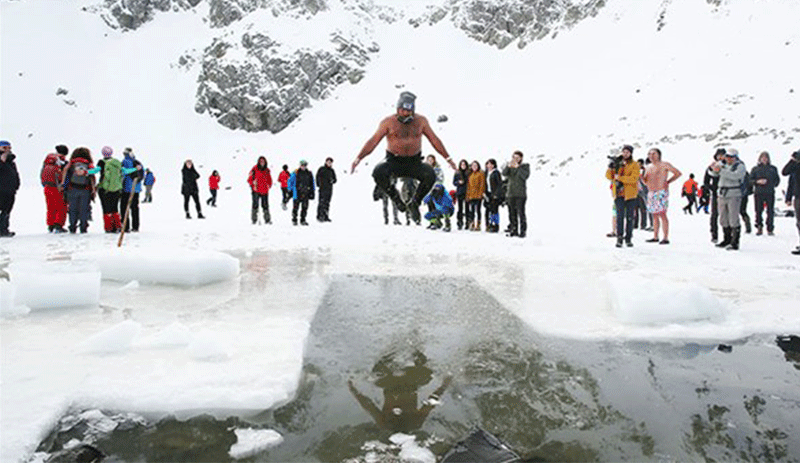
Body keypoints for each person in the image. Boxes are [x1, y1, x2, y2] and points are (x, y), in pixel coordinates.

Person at [351, 91, 456, 224]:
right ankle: (396, 199)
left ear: (413, 110)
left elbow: (434, 140)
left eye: (407, 111)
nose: (404, 113)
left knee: (430, 174)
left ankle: (414, 203)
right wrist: (359, 158)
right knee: (378, 172)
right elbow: (373, 141)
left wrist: (448, 158)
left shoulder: (421, 121)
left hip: (414, 162)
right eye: (401, 110)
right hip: (394, 161)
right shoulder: (388, 122)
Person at [347, 350, 452, 433]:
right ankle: (407, 350)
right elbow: (369, 406)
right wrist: (354, 391)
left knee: (423, 370)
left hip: (405, 384)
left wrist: (444, 386)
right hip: (398, 384)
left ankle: (409, 349)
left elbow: (430, 403)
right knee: (382, 369)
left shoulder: (412, 424)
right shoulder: (388, 424)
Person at [709, 148, 747, 250]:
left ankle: (735, 241)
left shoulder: (740, 166)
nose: (728, 159)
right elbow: (714, 175)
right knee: (723, 218)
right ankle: (726, 238)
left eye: (731, 157)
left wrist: (721, 170)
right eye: (727, 156)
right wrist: (713, 169)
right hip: (722, 194)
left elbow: (735, 176)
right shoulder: (723, 165)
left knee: (733, 217)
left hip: (734, 193)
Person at [642, 147, 681, 244]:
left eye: (654, 153)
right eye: (649, 154)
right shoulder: (648, 167)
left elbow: (677, 173)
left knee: (662, 214)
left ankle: (665, 237)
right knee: (654, 214)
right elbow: (646, 182)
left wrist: (668, 182)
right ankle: (655, 236)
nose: (651, 156)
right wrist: (641, 178)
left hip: (661, 191)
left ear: (659, 155)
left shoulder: (664, 164)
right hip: (651, 192)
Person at [60, 147, 96, 234]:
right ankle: (83, 226)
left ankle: (72, 226)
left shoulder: (72, 163)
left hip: (72, 189)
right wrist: (93, 189)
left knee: (72, 209)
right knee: (84, 209)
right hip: (85, 189)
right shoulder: (88, 163)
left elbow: (65, 170)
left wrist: (63, 183)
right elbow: (92, 176)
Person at [95, 146, 126, 233]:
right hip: (116, 189)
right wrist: (136, 169)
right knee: (115, 208)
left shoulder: (101, 162)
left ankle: (108, 227)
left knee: (106, 209)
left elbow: (95, 170)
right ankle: (117, 226)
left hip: (104, 190)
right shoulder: (117, 163)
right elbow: (125, 171)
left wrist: (86, 171)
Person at [750, 151, 780, 236]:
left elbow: (777, 180)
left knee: (770, 211)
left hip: (770, 192)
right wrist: (757, 182)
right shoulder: (755, 169)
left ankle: (770, 228)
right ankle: (759, 226)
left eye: (766, 158)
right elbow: (750, 180)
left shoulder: (773, 169)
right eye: (762, 158)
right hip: (759, 192)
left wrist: (772, 184)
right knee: (758, 210)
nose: (764, 159)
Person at [504, 150, 531, 238]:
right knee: (512, 213)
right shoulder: (510, 166)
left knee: (521, 213)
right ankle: (513, 229)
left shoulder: (525, 166)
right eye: (513, 157)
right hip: (510, 193)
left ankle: (523, 231)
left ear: (521, 158)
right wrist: (508, 166)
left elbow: (524, 176)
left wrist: (518, 167)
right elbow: (504, 173)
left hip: (520, 194)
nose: (515, 159)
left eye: (517, 158)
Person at [40, 149, 68, 233]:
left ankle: (50, 225)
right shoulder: (62, 161)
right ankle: (58, 225)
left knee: (50, 206)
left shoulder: (48, 161)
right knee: (61, 206)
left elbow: (41, 174)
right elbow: (65, 175)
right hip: (58, 187)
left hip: (47, 187)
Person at [120, 147, 144, 232]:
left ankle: (125, 227)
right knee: (135, 208)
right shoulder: (138, 163)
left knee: (124, 208)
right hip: (135, 189)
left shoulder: (125, 162)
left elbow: (124, 172)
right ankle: (135, 226)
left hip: (127, 188)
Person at [704, 148, 726, 242]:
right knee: (714, 215)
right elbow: (706, 181)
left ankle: (727, 235)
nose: (720, 157)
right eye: (718, 155)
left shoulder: (728, 166)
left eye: (722, 155)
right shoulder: (711, 167)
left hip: (727, 193)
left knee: (726, 216)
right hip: (716, 194)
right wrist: (712, 188)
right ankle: (714, 235)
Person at [0, 140, 21, 237]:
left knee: (6, 211)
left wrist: (16, 185)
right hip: (1, 190)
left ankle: (4, 229)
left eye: (9, 148)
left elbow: (15, 174)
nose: (7, 150)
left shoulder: (11, 161)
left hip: (10, 191)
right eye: (4, 148)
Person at [782, 149, 800, 255]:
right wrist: (792, 160)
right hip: (797, 196)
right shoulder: (796, 166)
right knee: (799, 222)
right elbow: (785, 172)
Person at [288, 160, 315, 226]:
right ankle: (294, 219)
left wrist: (312, 191)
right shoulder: (296, 172)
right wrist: (289, 190)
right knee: (295, 207)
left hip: (306, 193)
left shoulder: (309, 173)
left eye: (304, 165)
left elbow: (312, 183)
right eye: (302, 165)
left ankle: (303, 220)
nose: (303, 167)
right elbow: (290, 181)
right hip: (297, 193)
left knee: (305, 207)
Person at [247, 156, 272, 224]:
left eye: (263, 161)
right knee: (255, 205)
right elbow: (249, 179)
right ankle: (254, 220)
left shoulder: (267, 170)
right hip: (256, 190)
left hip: (264, 190)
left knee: (265, 206)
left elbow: (269, 179)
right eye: (261, 161)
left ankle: (267, 219)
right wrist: (252, 184)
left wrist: (269, 185)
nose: (262, 162)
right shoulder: (254, 169)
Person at [465, 160, 485, 231]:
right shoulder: (470, 174)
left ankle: (478, 224)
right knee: (472, 210)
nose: (474, 167)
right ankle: (472, 223)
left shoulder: (480, 173)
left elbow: (482, 184)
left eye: (475, 165)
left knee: (478, 210)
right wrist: (468, 195)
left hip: (478, 195)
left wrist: (481, 193)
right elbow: (469, 186)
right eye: (473, 166)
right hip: (471, 195)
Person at [484, 159, 503, 233]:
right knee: (488, 209)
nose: (489, 166)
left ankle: (495, 225)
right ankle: (489, 224)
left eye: (491, 164)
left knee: (494, 210)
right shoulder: (486, 173)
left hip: (494, 193)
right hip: (488, 193)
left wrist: (497, 194)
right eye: (488, 164)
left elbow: (499, 184)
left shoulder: (496, 173)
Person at [316, 157, 336, 222]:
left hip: (329, 189)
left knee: (327, 203)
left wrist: (332, 180)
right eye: (328, 162)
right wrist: (319, 184)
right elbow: (317, 177)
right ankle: (320, 216)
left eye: (330, 162)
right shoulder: (321, 169)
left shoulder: (332, 171)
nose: (329, 163)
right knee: (321, 202)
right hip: (322, 189)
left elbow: (335, 179)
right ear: (326, 162)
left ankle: (326, 216)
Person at [453, 159, 469, 230]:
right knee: (460, 209)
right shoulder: (457, 173)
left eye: (464, 164)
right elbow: (454, 182)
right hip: (459, 192)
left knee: (467, 208)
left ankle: (467, 222)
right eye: (462, 164)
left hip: (467, 192)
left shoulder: (468, 172)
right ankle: (459, 222)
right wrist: (458, 182)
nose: (463, 166)